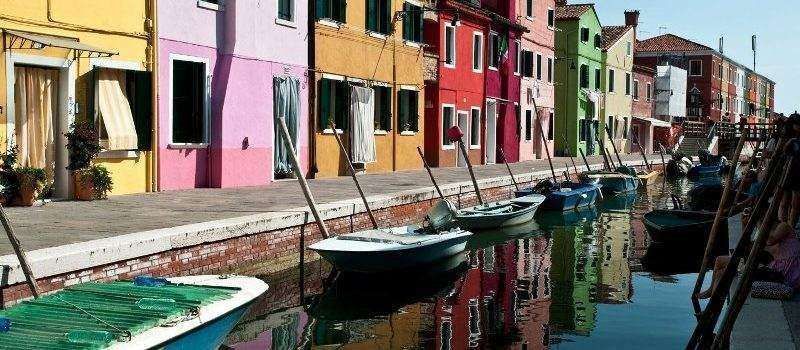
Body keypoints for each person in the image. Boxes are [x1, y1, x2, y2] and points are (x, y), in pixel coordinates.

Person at [697, 222, 800, 299]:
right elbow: (748, 247)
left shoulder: (784, 227)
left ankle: (712, 300)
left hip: (783, 275)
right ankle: (712, 296)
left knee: (721, 268)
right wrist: (744, 224)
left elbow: (770, 241)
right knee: (720, 266)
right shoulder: (770, 235)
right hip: (774, 270)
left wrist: (759, 223)